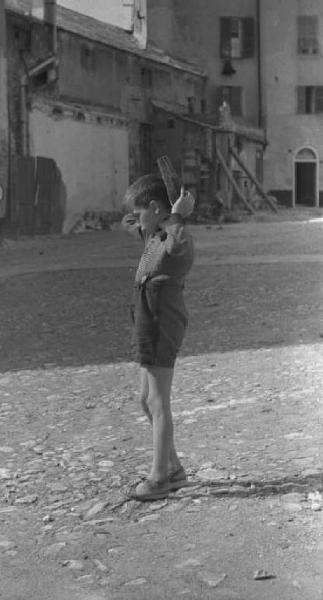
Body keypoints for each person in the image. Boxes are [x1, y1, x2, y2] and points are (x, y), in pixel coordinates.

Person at [121, 174, 195, 501]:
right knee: (144, 400)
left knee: (157, 401)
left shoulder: (175, 237)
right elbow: (131, 223)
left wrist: (177, 214)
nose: (137, 224)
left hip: (161, 321)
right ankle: (173, 469)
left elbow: (177, 244)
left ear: (154, 209)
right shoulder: (155, 232)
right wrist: (148, 214)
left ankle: (159, 477)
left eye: (140, 215)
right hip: (148, 319)